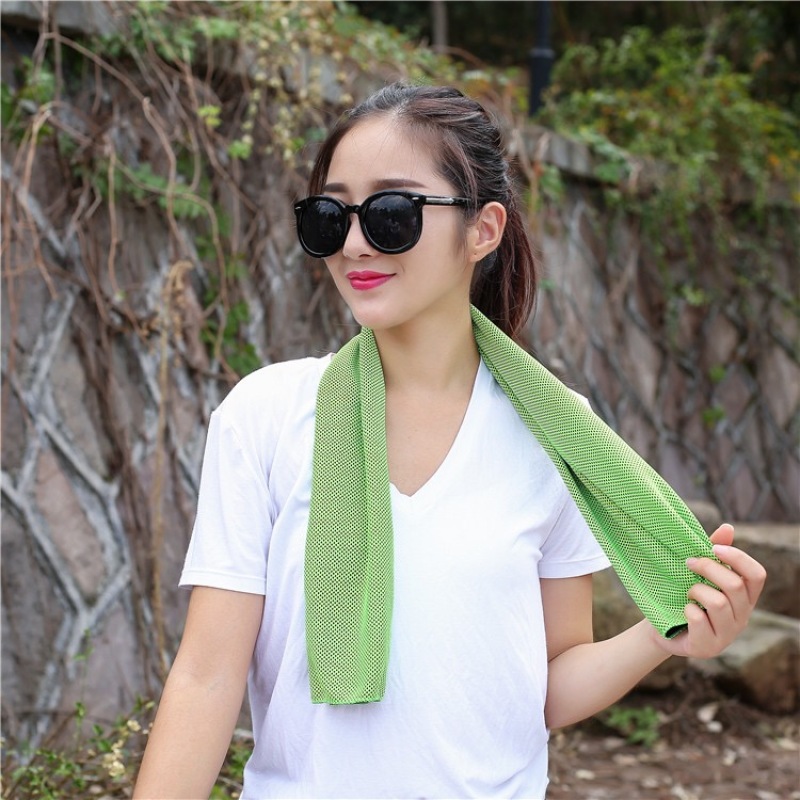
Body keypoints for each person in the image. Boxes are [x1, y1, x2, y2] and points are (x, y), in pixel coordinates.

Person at [133, 83, 766, 799]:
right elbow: (206, 676)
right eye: (329, 216)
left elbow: (547, 686)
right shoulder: (266, 416)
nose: (354, 243)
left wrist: (664, 635)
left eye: (391, 213)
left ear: (482, 230)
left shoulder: (556, 432)